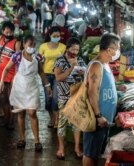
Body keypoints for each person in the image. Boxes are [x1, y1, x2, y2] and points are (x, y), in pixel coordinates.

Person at [0, 35, 52, 151]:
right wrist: (1, 82)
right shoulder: (17, 56)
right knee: (21, 113)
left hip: (32, 87)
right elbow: (6, 69)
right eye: (29, 45)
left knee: (32, 113)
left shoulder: (38, 57)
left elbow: (41, 72)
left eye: (33, 45)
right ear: (24, 44)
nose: (31, 47)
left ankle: (37, 141)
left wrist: (47, 86)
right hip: (20, 87)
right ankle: (22, 138)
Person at [83, 33, 126, 166]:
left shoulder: (105, 64)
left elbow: (103, 86)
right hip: (97, 120)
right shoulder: (97, 65)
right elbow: (92, 92)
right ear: (109, 49)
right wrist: (98, 116)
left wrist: (117, 88)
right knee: (90, 154)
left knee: (95, 152)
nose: (118, 51)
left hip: (105, 119)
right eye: (117, 48)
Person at [54, 38, 86, 160]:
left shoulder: (81, 60)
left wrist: (81, 71)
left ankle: (77, 148)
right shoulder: (60, 61)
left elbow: (86, 74)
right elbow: (58, 77)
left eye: (77, 49)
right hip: (64, 97)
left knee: (76, 123)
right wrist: (71, 68)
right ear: (67, 48)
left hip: (76, 96)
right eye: (73, 49)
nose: (75, 51)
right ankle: (61, 148)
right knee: (62, 123)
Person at [39, 26, 66, 129]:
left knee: (55, 98)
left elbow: (65, 61)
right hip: (46, 75)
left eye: (58, 36)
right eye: (54, 36)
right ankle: (52, 118)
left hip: (57, 75)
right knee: (48, 100)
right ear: (50, 35)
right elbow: (39, 61)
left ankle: (57, 121)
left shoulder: (63, 47)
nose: (56, 37)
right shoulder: (43, 46)